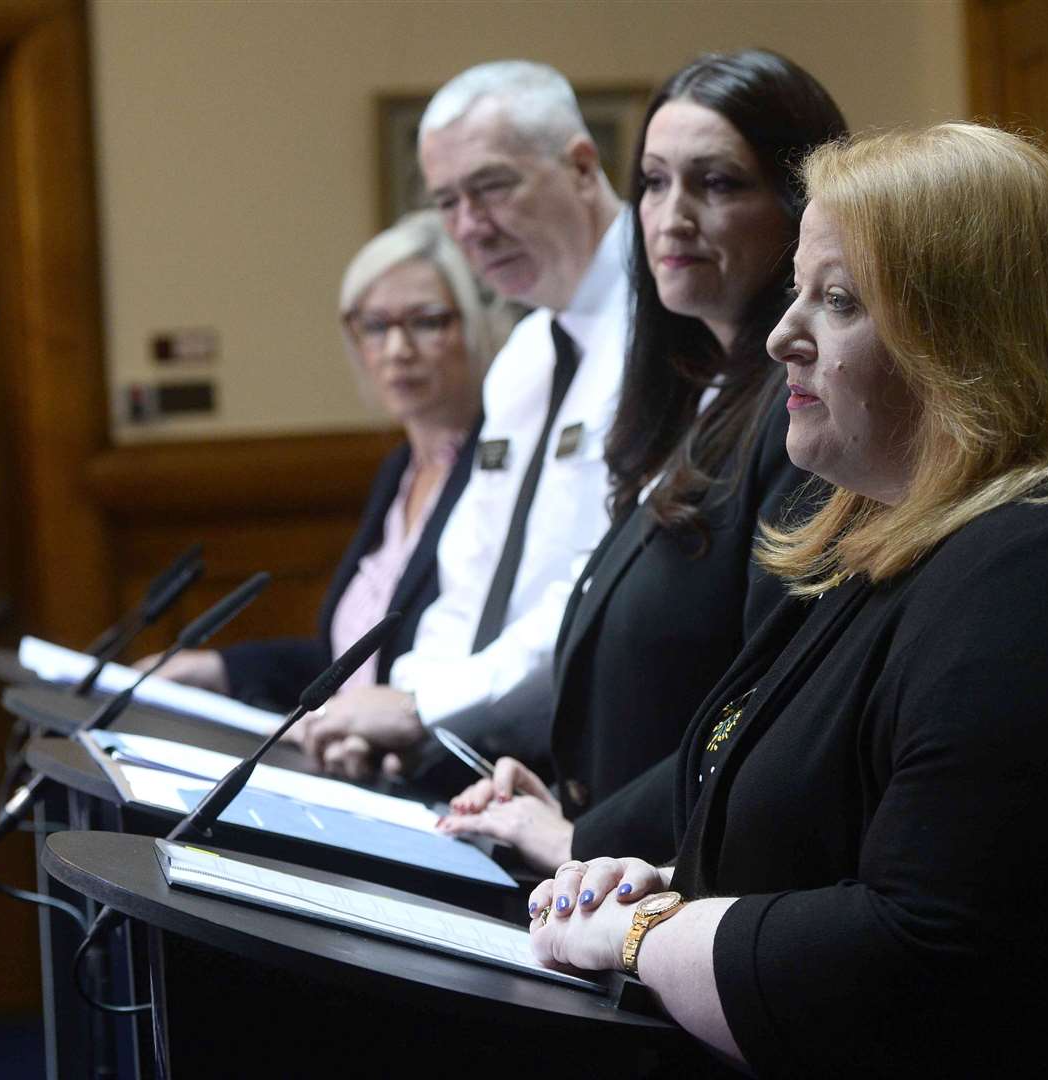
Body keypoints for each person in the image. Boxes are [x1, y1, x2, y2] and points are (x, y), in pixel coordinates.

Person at [519, 124, 1048, 1075]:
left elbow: (913, 965)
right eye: (796, 293)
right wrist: (678, 883)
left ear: (972, 340)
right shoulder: (896, 537)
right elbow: (835, 843)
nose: (783, 336)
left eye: (838, 301)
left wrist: (644, 936)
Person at [436, 50, 846, 873]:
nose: (670, 217)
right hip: (623, 867)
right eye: (654, 182)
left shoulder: (805, 419)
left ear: (802, 210)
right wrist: (562, 797)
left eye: (717, 184)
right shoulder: (694, 400)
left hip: (697, 891)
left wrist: (583, 838)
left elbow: (770, 709)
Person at [299, 61, 629, 781]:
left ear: (579, 166)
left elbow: (603, 586)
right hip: (476, 756)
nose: (469, 228)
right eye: (447, 201)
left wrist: (421, 708)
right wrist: (398, 709)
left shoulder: (664, 335)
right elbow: (469, 581)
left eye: (491, 187)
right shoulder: (524, 356)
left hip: (608, 762)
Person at [148, 211, 496, 706]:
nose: (397, 349)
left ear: (476, 325)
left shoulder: (497, 472)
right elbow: (352, 663)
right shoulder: (400, 471)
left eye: (425, 322)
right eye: (375, 326)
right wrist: (218, 668)